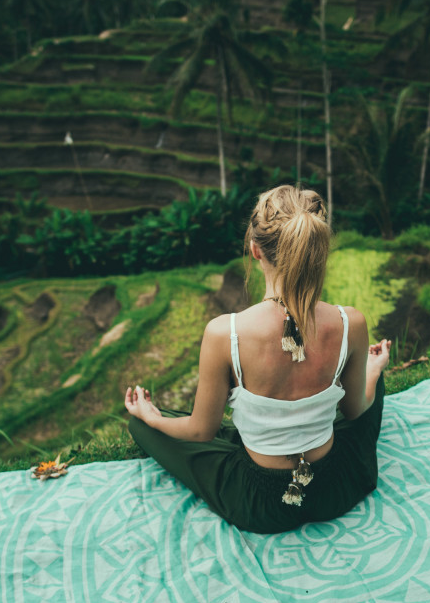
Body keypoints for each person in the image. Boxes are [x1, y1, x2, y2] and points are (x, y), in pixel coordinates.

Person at [124, 184, 391, 534]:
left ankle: (159, 423)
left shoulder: (225, 333)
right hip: (335, 488)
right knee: (374, 378)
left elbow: (201, 431)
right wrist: (372, 373)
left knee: (144, 426)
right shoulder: (350, 323)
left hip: (259, 503)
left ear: (254, 251)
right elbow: (356, 412)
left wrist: (152, 417)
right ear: (317, 252)